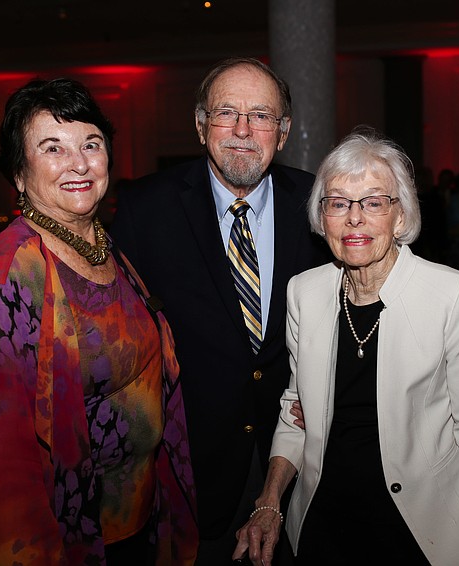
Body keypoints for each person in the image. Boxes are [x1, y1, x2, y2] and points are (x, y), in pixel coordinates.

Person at [0, 78, 198, 564]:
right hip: (72, 540)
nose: (79, 163)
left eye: (91, 144)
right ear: (19, 173)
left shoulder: (101, 243)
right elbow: (0, 462)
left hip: (136, 525)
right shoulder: (12, 274)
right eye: (52, 147)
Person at [232, 130, 459, 566]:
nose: (354, 218)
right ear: (323, 217)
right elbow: (295, 409)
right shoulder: (304, 292)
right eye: (338, 203)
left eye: (374, 202)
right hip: (323, 518)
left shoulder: (453, 294)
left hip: (419, 525)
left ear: (400, 215)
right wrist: (270, 498)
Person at [111, 57, 329, 564]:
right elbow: (119, 335)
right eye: (226, 112)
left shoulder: (319, 203)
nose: (242, 130)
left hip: (299, 456)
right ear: (200, 124)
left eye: (261, 115)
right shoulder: (147, 207)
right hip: (192, 469)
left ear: (285, 130)